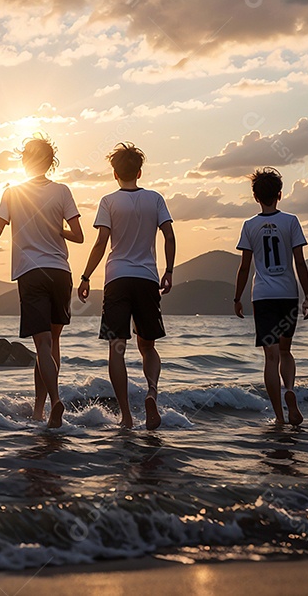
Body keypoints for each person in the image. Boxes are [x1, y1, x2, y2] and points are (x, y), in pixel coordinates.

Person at [0, 135, 83, 428]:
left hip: (32, 273)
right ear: (51, 162)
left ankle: (55, 401)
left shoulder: (13, 192)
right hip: (60, 273)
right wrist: (57, 229)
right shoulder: (62, 191)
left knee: (41, 343)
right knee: (51, 343)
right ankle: (39, 411)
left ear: (25, 161)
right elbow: (79, 236)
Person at [77, 143, 175, 430]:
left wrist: (85, 276)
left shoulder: (108, 201)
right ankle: (152, 393)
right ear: (139, 172)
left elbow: (101, 242)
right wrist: (168, 271)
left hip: (117, 279)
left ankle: (126, 417)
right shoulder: (155, 199)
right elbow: (169, 236)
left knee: (117, 348)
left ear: (115, 173)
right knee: (148, 346)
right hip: (147, 278)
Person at [233, 167, 308, 427]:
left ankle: (279, 416)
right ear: (279, 194)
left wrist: (237, 298)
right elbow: (300, 262)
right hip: (288, 294)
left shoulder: (250, 225)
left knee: (271, 357)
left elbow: (244, 267)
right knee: (286, 351)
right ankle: (289, 389)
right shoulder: (291, 221)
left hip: (263, 296)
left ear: (255, 197)